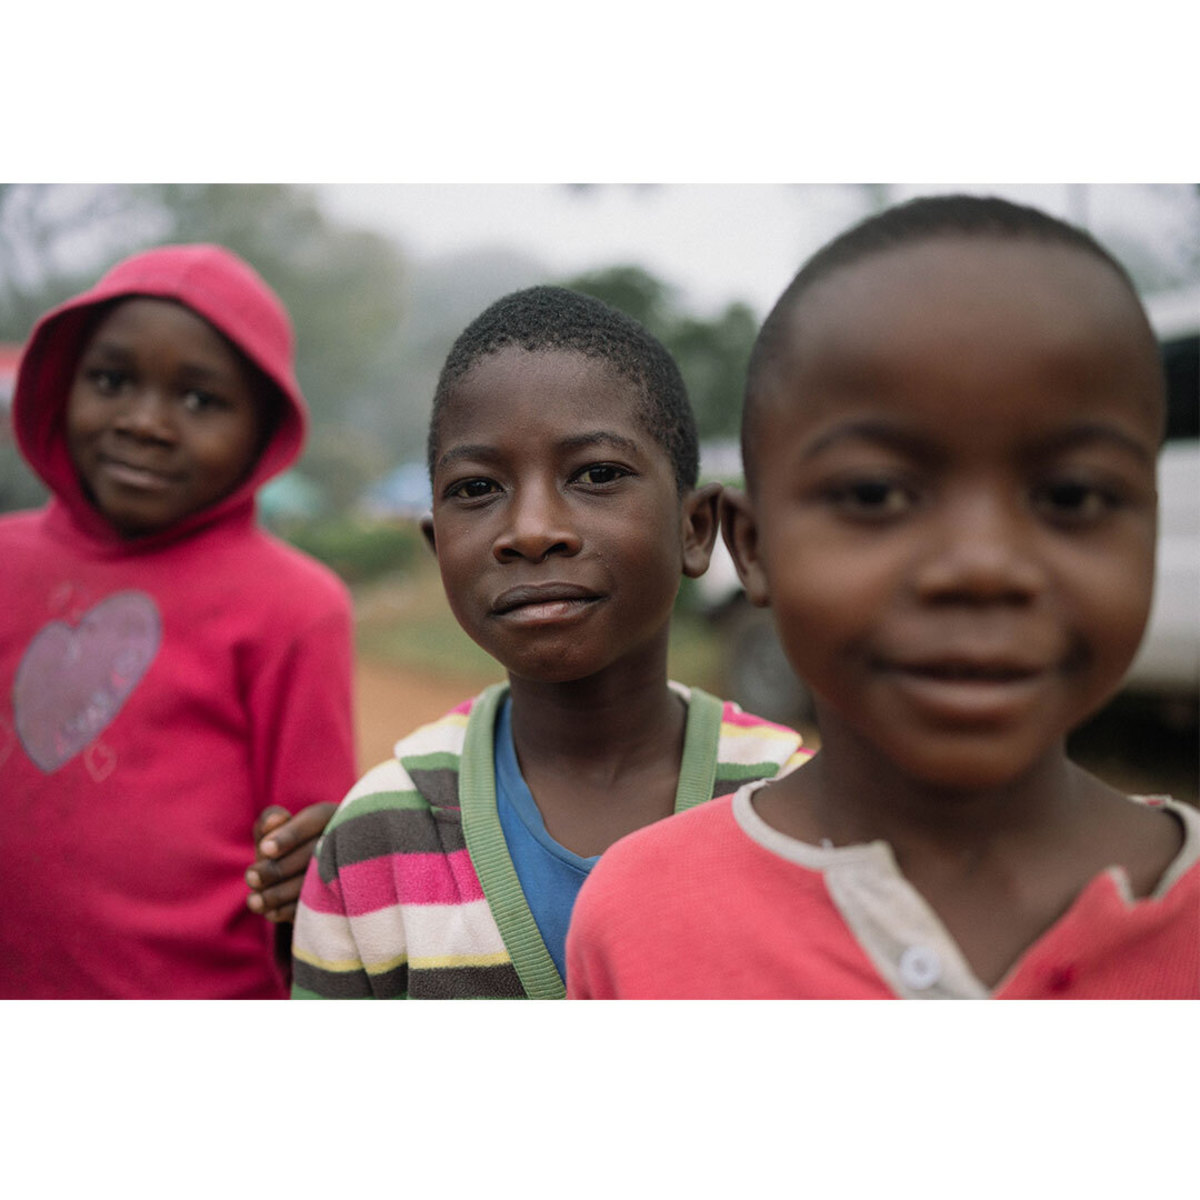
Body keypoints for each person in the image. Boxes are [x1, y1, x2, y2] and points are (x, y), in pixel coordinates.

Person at [566, 194, 1199, 1000]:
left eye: (1073, 496)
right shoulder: (639, 915)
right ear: (753, 547)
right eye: (873, 493)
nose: (982, 567)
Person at [290, 286, 807, 999]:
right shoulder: (374, 841)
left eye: (596, 474)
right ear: (438, 546)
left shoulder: (797, 808)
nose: (532, 529)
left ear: (695, 530)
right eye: (476, 488)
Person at [0, 244, 357, 998]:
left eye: (199, 400)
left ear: (264, 431)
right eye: (111, 380)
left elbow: (305, 852)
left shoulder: (296, 605)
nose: (144, 423)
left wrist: (315, 864)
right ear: (60, 386)